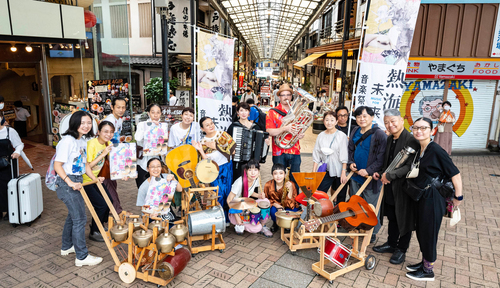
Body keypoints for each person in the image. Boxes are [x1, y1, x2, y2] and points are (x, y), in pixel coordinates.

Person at [405, 117, 463, 281]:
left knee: (429, 232)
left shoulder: (436, 150)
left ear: (432, 131)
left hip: (433, 198)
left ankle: (428, 270)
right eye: (416, 128)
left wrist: (458, 196)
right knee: (423, 230)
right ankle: (424, 262)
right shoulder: (420, 149)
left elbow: (455, 174)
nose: (419, 131)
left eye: (424, 128)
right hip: (422, 196)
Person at [53, 110, 103, 267]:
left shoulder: (81, 141)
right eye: (82, 123)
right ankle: (81, 256)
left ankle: (67, 247)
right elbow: (57, 165)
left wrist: (95, 179)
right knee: (80, 219)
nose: (86, 126)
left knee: (73, 216)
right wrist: (70, 182)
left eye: (89, 123)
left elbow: (85, 164)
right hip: (67, 183)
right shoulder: (67, 141)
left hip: (77, 180)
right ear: (74, 124)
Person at [372, 109, 419, 265]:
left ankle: (401, 249)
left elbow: (409, 166)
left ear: (402, 121)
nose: (390, 125)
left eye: (393, 121)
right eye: (386, 122)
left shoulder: (411, 140)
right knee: (392, 216)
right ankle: (391, 244)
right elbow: (388, 162)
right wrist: (380, 172)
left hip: (404, 188)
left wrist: (390, 175)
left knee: (404, 219)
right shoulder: (390, 138)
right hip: (390, 187)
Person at [348, 106, 387, 243]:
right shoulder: (355, 130)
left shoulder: (380, 134)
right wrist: (351, 162)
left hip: (371, 178)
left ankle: (372, 232)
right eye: (359, 116)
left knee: (370, 205)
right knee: (356, 203)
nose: (361, 119)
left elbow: (382, 158)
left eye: (365, 116)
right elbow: (350, 149)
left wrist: (369, 170)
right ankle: (357, 226)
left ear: (372, 117)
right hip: (355, 176)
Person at [193, 117, 236, 221]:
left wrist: (216, 146)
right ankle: (220, 218)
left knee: (228, 192)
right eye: (207, 125)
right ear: (202, 129)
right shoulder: (202, 142)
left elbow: (233, 151)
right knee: (217, 194)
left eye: (211, 123)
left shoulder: (223, 135)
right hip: (213, 171)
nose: (211, 126)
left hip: (226, 167)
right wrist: (200, 150)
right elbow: (206, 160)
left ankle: (229, 217)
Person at [82, 121, 116, 242]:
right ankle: (95, 231)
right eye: (106, 131)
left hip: (96, 179)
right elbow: (87, 166)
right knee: (101, 205)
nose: (109, 134)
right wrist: (103, 154)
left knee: (109, 201)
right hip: (85, 180)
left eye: (111, 132)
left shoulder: (109, 143)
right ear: (99, 132)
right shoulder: (91, 144)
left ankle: (99, 225)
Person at [266, 84, 304, 186]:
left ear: (291, 96)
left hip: (294, 149)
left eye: (288, 94)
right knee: (279, 180)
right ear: (279, 97)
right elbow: (269, 131)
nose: (286, 97)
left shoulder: (297, 112)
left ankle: (294, 201)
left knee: (295, 180)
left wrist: (300, 134)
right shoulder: (272, 112)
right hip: (279, 151)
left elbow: (300, 128)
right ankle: (279, 200)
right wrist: (285, 128)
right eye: (283, 95)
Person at [226, 159, 272, 237]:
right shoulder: (239, 182)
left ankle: (263, 226)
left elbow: (250, 192)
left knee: (265, 201)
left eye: (255, 170)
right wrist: (237, 216)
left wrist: (259, 196)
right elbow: (229, 200)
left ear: (259, 171)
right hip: (236, 211)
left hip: (246, 207)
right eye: (250, 170)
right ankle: (239, 224)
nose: (253, 173)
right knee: (256, 228)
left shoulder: (256, 179)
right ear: (246, 171)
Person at [227, 102, 269, 183]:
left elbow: (261, 148)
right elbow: (227, 144)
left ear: (249, 113)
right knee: (238, 184)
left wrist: (266, 145)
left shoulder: (256, 127)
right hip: (238, 162)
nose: (244, 113)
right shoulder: (233, 127)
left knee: (251, 185)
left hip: (252, 163)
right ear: (237, 112)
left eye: (246, 110)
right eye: (241, 110)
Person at [312, 111, 349, 203]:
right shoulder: (320, 136)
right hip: (326, 169)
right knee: (320, 193)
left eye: (332, 120)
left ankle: (338, 215)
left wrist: (344, 172)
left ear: (336, 122)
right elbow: (316, 154)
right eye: (327, 120)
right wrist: (314, 172)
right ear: (323, 121)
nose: (329, 122)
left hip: (340, 169)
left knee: (340, 195)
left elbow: (344, 155)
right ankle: (321, 212)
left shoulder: (342, 136)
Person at [101, 97, 127, 213]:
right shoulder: (109, 121)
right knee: (109, 185)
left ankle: (111, 209)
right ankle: (117, 211)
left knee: (112, 184)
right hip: (106, 157)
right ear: (112, 107)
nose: (121, 110)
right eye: (118, 107)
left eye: (123, 107)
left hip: (113, 156)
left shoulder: (119, 120)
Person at [0, 103, 24, 221]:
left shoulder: (9, 131)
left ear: (1, 118)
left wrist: (17, 152)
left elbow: (19, 144)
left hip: (6, 164)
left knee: (7, 187)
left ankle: (10, 211)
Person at [264, 163, 299, 232]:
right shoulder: (268, 185)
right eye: (275, 173)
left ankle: (288, 226)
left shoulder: (291, 184)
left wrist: (290, 191)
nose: (278, 176)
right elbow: (266, 199)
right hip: (275, 204)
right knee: (273, 211)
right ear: (272, 175)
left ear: (285, 174)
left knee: (292, 213)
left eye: (281, 173)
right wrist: (276, 205)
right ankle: (275, 223)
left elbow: (292, 203)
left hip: (289, 204)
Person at [135, 104, 163, 188]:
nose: (155, 115)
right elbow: (137, 138)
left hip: (156, 162)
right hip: (142, 162)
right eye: (153, 112)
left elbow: (163, 145)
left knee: (155, 188)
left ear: (161, 113)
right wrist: (149, 127)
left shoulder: (162, 126)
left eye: (158, 112)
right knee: (142, 188)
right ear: (148, 113)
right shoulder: (142, 124)